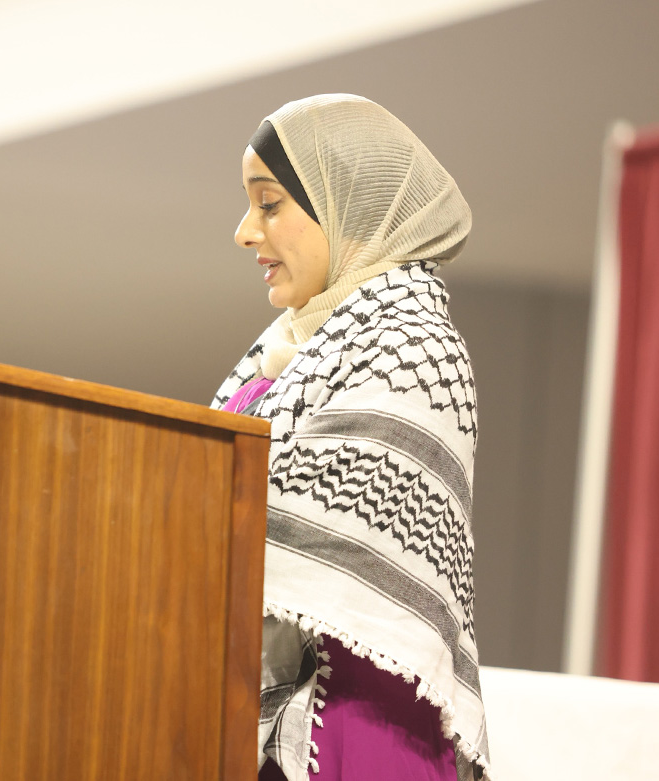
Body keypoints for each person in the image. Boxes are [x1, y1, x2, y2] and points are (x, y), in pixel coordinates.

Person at [214, 94, 491, 781]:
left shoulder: (414, 348)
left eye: (269, 203)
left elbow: (290, 528)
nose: (246, 232)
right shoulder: (291, 351)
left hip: (354, 736)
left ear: (345, 206)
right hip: (259, 724)